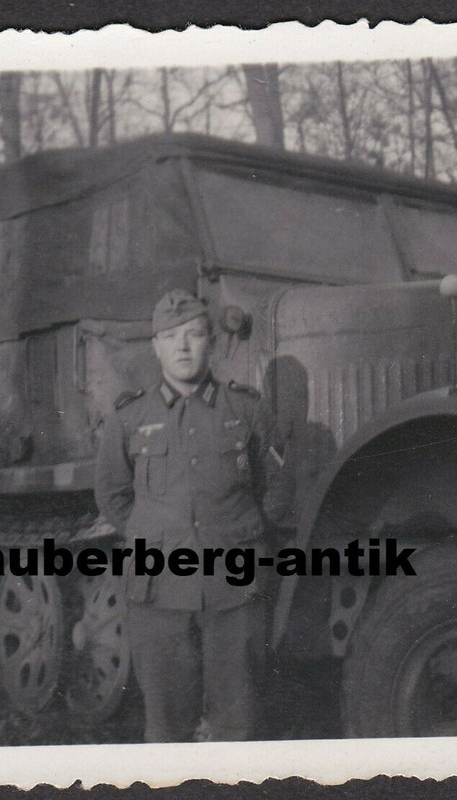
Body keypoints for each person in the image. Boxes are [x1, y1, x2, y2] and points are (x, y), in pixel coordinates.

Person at [95, 289, 291, 742]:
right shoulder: (128, 419)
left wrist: (243, 533)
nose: (183, 346)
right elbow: (112, 494)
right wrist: (156, 537)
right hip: (158, 593)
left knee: (236, 726)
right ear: (156, 347)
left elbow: (278, 485)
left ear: (212, 343)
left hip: (235, 591)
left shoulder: (247, 409)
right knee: (166, 727)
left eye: (194, 334)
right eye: (171, 336)